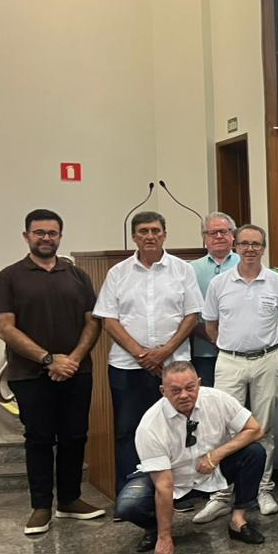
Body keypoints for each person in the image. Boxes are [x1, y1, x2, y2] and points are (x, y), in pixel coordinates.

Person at [0, 209, 104, 535]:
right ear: (26, 236)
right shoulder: (9, 277)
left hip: (77, 372)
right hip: (30, 375)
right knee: (39, 439)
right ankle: (41, 506)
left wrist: (73, 360)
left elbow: (92, 321)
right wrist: (49, 359)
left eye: (52, 233)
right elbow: (4, 327)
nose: (46, 238)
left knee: (75, 436)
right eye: (39, 232)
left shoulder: (76, 275)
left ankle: (69, 500)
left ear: (60, 236)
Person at [94, 211, 202, 493]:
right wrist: (143, 355)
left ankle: (177, 492)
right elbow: (108, 320)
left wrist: (164, 352)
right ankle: (131, 495)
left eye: (155, 231)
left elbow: (192, 315)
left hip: (174, 367)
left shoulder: (182, 270)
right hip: (127, 367)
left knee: (176, 429)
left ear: (164, 234)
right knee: (128, 431)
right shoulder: (118, 273)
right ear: (134, 237)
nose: (150, 236)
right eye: (143, 231)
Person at [195, 224, 278, 521]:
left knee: (263, 427)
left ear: (263, 248)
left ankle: (262, 489)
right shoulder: (220, 284)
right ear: (235, 247)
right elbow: (210, 325)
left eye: (256, 244)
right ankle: (222, 494)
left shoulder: (277, 282)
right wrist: (231, 345)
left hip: (266, 360)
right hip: (229, 361)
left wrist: (267, 343)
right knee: (223, 426)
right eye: (244, 243)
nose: (250, 249)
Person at [114, 361, 266, 554]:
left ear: (199, 383)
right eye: (176, 390)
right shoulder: (150, 425)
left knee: (254, 452)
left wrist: (216, 455)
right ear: (163, 391)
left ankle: (238, 520)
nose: (184, 395)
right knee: (129, 504)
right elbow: (164, 485)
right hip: (172, 479)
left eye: (190, 388)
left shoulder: (217, 399)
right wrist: (165, 537)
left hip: (212, 470)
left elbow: (255, 429)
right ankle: (155, 529)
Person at [189, 213, 239, 387]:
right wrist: (213, 338)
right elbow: (186, 311)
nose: (218, 236)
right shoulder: (190, 269)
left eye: (224, 232)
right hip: (204, 352)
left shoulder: (245, 265)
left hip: (240, 352)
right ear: (205, 238)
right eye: (212, 233)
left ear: (233, 235)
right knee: (207, 399)